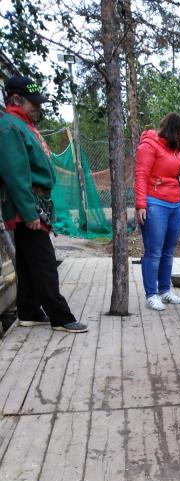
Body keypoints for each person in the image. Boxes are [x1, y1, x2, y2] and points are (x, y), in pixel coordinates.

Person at [0, 75, 87, 332]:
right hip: (26, 205)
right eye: (34, 103)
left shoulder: (22, 124)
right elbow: (15, 175)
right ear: (16, 99)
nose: (39, 108)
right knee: (44, 262)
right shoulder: (9, 127)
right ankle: (61, 316)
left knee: (28, 261)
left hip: (35, 202)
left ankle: (28, 310)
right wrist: (28, 212)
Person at [134, 112, 180, 311]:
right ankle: (151, 294)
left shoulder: (177, 151)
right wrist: (141, 204)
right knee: (154, 252)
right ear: (172, 129)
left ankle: (165, 291)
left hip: (175, 204)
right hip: (155, 203)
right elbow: (141, 175)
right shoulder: (149, 145)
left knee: (168, 252)